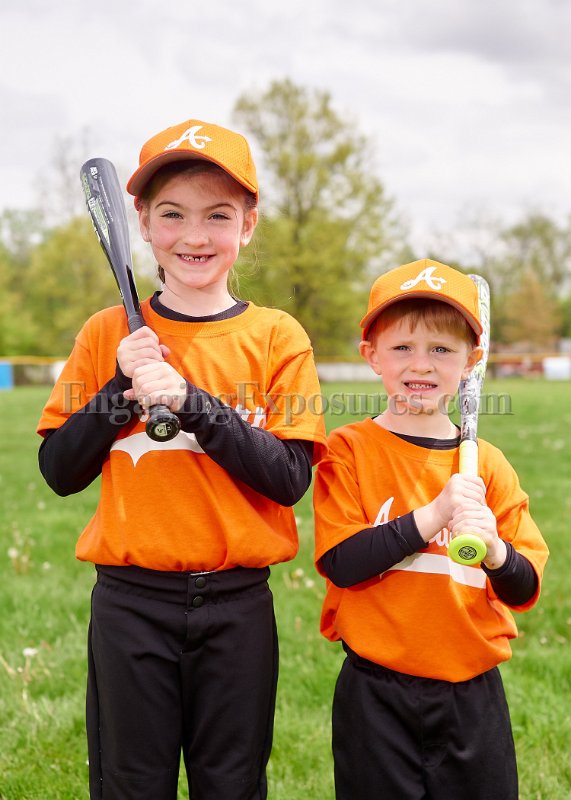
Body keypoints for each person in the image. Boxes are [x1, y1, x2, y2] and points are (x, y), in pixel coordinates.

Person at [37, 117, 328, 800]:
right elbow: (59, 472)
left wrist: (191, 402)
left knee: (231, 783)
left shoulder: (276, 336)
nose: (194, 235)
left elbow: (288, 479)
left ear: (247, 225)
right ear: (141, 222)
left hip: (237, 607)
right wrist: (120, 386)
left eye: (217, 215)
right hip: (130, 603)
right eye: (172, 214)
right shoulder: (107, 333)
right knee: (131, 783)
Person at [313, 258, 549, 800]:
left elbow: (524, 587)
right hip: (376, 692)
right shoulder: (348, 451)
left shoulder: (488, 467)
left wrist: (494, 550)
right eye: (403, 347)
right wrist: (434, 515)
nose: (421, 364)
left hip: (471, 696)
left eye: (442, 349)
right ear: (371, 354)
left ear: (472, 361)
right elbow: (343, 564)